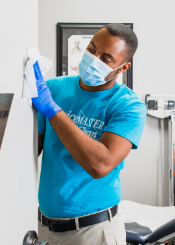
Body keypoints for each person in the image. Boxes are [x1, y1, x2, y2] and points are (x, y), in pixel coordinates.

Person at [32, 23, 147, 245]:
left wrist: (53, 111)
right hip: (44, 227)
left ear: (123, 67)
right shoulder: (53, 89)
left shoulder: (128, 106)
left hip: (94, 231)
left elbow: (100, 165)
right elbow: (27, 152)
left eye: (106, 58)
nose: (94, 59)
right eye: (91, 50)